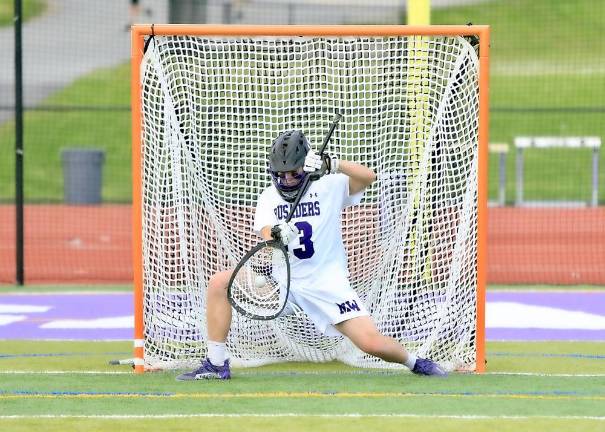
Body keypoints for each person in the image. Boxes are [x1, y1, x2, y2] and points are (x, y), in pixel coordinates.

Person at [177, 129, 447, 380]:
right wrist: (278, 233)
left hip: (327, 285)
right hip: (284, 285)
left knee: (370, 343)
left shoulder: (329, 186)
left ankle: (415, 362)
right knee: (219, 283)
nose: (286, 180)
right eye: (281, 175)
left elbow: (368, 177)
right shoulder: (269, 197)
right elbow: (266, 232)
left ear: (307, 167)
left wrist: (333, 164)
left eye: (293, 174)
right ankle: (216, 363)